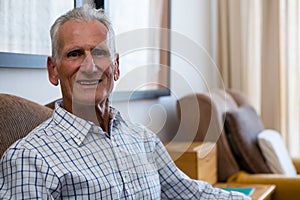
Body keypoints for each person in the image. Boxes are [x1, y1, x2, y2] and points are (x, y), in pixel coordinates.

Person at [0, 5, 250, 199]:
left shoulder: (143, 140)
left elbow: (191, 194)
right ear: (53, 70)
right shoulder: (28, 159)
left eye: (99, 52)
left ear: (116, 67)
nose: (90, 66)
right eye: (75, 54)